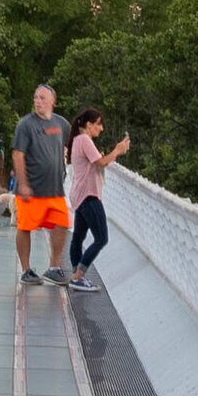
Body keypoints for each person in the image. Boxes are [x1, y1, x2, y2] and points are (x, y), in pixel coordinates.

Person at [9, 83, 71, 286]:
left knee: (62, 223)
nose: (38, 101)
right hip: (31, 189)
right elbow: (18, 154)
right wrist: (23, 184)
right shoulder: (26, 125)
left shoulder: (61, 124)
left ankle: (53, 267)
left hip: (55, 189)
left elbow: (69, 143)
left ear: (53, 101)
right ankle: (26, 270)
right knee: (25, 227)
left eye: (43, 98)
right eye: (36, 98)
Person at [62, 107, 128, 292]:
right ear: (89, 124)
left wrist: (114, 153)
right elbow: (101, 162)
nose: (102, 128)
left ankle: (76, 273)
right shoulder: (84, 140)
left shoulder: (77, 140)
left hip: (79, 195)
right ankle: (78, 276)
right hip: (88, 195)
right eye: (99, 124)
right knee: (101, 238)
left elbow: (97, 163)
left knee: (79, 236)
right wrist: (118, 151)